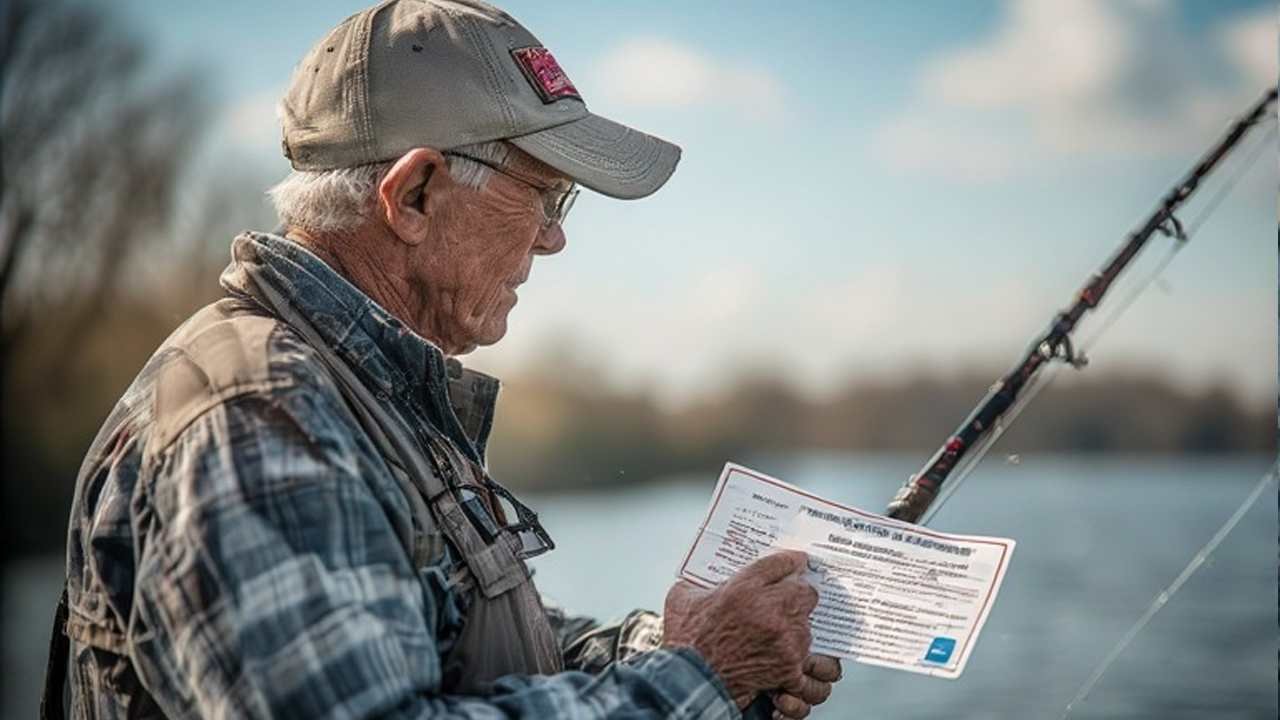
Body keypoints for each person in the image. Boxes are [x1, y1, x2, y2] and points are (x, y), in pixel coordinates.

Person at [45, 1, 841, 718]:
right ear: (415, 193)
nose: (553, 237)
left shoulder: (353, 392)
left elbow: (451, 652)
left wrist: (672, 651)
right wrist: (701, 676)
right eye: (546, 195)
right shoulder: (260, 417)